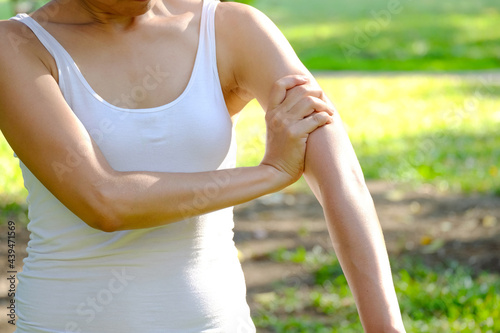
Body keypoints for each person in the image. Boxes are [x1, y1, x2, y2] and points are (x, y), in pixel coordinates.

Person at [0, 0, 406, 331]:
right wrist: (269, 173)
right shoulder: (16, 46)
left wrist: (386, 328)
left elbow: (342, 178)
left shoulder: (230, 27)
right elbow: (104, 201)